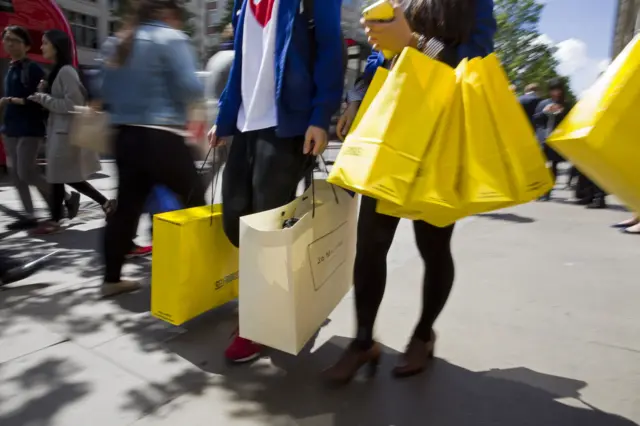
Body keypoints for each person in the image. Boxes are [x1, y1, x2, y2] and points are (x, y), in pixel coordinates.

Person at [323, 0, 496, 385]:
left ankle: (423, 335)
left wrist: (415, 41)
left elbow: (477, 63)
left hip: (441, 136)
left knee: (433, 247)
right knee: (370, 245)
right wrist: (356, 99)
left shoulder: (476, 5)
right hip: (393, 133)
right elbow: (377, 60)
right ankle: (363, 341)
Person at [208, 0, 345, 363]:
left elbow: (332, 47)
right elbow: (242, 61)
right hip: (245, 124)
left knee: (265, 234)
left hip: (287, 125)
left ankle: (259, 324)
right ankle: (280, 297)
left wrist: (321, 116)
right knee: (235, 221)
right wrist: (224, 119)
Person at [100, 0, 205, 298]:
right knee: (196, 200)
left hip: (125, 137)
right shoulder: (172, 38)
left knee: (127, 209)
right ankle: (202, 271)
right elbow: (190, 88)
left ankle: (111, 279)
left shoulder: (116, 42)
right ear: (168, 14)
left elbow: (104, 90)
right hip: (162, 136)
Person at [27, 30, 114, 235]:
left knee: (58, 176)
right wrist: (44, 91)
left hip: (65, 134)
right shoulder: (58, 71)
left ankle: (56, 219)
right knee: (63, 176)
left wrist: (43, 98)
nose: (41, 47)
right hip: (59, 132)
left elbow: (71, 104)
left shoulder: (66, 71)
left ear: (56, 46)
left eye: (45, 43)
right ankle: (105, 203)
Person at [0, 26, 80, 229]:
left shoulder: (33, 69)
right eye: (7, 39)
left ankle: (66, 196)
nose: (10, 43)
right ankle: (30, 214)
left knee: (26, 172)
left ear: (26, 46)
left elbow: (39, 99)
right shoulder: (11, 68)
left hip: (30, 128)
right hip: (10, 128)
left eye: (15, 40)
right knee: (15, 174)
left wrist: (10, 100)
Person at [534, 78, 572, 201]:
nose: (555, 93)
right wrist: (545, 112)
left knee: (554, 165)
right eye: (553, 90)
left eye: (558, 90)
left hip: (556, 140)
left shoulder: (566, 105)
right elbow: (536, 120)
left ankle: (547, 192)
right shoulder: (544, 103)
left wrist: (561, 113)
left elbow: (570, 122)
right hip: (543, 139)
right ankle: (540, 190)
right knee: (541, 166)